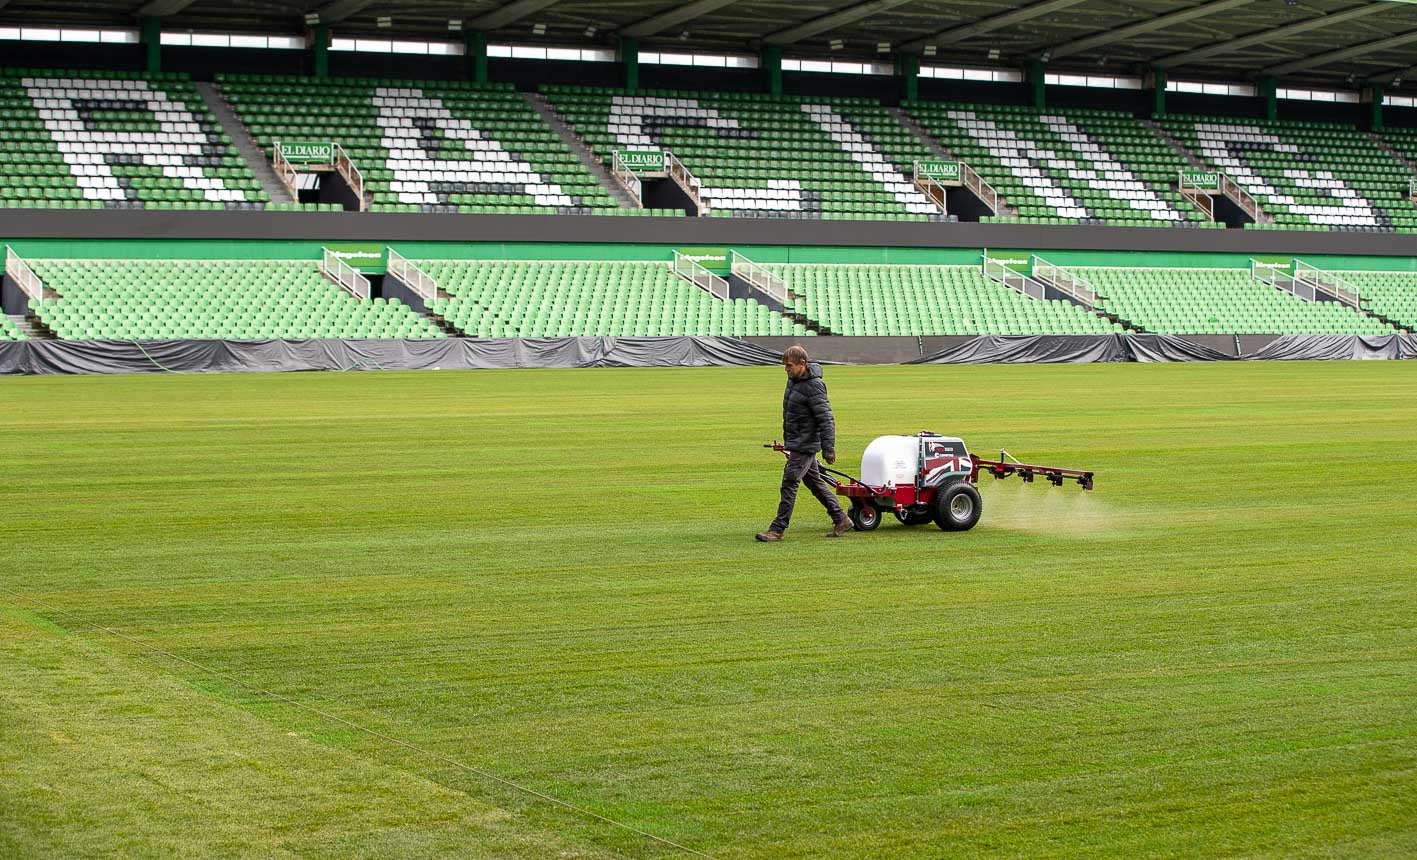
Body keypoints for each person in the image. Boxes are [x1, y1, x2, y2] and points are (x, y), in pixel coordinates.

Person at [757, 345, 852, 542]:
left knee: (790, 482)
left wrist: (829, 448)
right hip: (798, 440)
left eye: (789, 366)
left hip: (805, 444)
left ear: (802, 364)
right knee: (815, 483)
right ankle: (841, 518)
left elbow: (826, 418)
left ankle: (777, 529)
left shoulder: (813, 386)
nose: (786, 370)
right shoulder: (794, 380)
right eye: (785, 366)